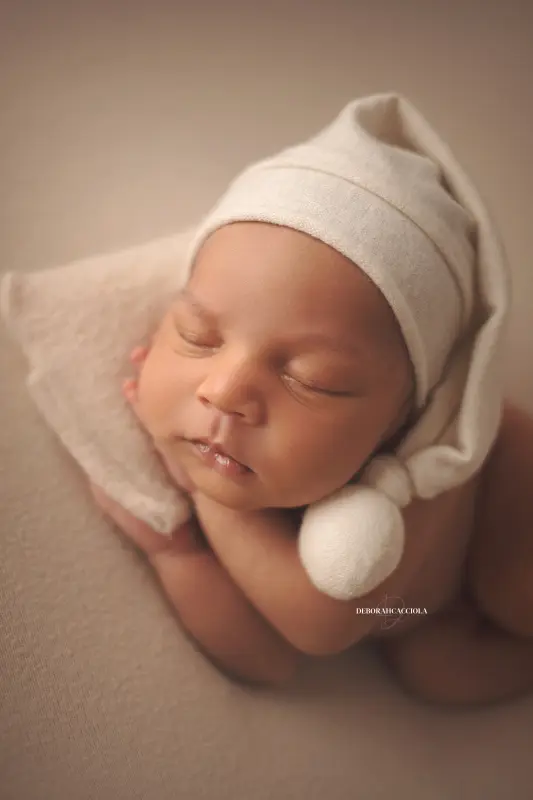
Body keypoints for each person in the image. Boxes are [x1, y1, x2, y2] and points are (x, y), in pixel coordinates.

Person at [91, 94, 533, 707]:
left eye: (313, 379)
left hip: (503, 503)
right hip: (411, 611)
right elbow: (271, 663)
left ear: (403, 418)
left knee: (516, 588)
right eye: (197, 337)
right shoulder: (253, 452)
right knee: (442, 673)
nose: (224, 393)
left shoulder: (432, 466)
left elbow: (324, 625)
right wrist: (179, 555)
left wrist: (203, 495)